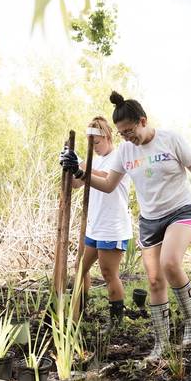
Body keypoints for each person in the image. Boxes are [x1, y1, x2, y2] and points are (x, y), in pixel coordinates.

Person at [61, 91, 191, 361]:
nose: (127, 137)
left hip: (180, 211)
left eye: (130, 131)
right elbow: (107, 185)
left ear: (143, 120)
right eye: (121, 133)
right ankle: (162, 343)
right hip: (150, 220)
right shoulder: (125, 151)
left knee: (170, 263)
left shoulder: (170, 139)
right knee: (153, 280)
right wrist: (80, 172)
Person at [62, 116, 133, 329]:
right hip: (94, 226)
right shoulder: (92, 159)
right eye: (91, 145)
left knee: (108, 273)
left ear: (108, 136)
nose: (95, 148)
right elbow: (75, 184)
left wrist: (81, 168)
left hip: (113, 227)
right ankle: (81, 310)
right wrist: (69, 163)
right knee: (80, 268)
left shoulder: (119, 156)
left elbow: (104, 175)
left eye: (97, 143)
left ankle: (116, 322)